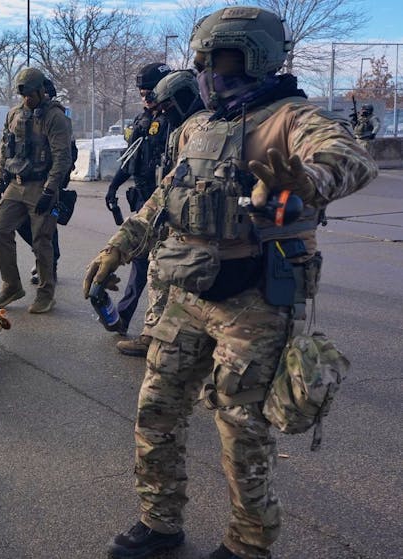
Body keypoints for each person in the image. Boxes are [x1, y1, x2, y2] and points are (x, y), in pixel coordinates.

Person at [84, 8, 378, 559]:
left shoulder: (290, 118)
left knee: (241, 430)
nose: (204, 72)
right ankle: (160, 522)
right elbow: (163, 199)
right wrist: (117, 248)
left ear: (252, 58)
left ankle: (248, 543)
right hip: (187, 293)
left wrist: (301, 182)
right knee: (157, 410)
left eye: (214, 59)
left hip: (255, 302)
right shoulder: (200, 125)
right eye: (200, 61)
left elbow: (351, 159)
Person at [0, 68, 73, 314]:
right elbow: (6, 149)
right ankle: (12, 285)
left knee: (42, 240)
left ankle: (46, 292)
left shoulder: (55, 117)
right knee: (1, 230)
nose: (27, 99)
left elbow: (62, 157)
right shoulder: (14, 115)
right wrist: (1, 178)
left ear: (41, 90)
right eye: (23, 94)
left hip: (41, 184)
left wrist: (50, 190)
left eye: (31, 94)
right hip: (16, 184)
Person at [101, 63, 173, 337]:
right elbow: (131, 157)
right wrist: (114, 186)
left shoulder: (177, 122)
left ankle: (153, 329)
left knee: (161, 264)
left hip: (167, 201)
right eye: (142, 93)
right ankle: (127, 317)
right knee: (143, 259)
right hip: (144, 197)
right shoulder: (144, 120)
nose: (146, 98)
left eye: (150, 93)